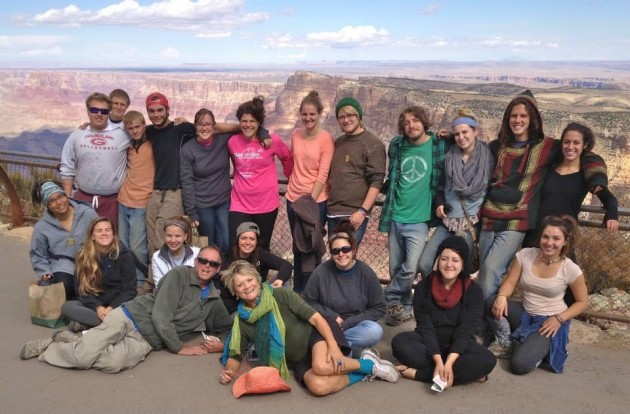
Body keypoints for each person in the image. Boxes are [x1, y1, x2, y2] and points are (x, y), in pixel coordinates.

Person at [20, 246, 233, 373]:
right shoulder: (179, 275)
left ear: (218, 269)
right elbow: (161, 316)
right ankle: (49, 349)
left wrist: (221, 345)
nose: (207, 266)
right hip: (130, 317)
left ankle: (74, 341)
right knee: (82, 358)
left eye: (213, 264)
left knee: (115, 363)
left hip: (148, 340)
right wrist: (179, 347)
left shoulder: (213, 300)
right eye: (203, 260)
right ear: (195, 261)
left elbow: (227, 328)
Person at [219, 261, 399, 396]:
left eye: (249, 280)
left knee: (321, 366)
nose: (247, 286)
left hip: (314, 336)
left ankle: (370, 365)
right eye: (240, 285)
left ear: (258, 281)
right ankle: (364, 371)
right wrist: (229, 371)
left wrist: (333, 347)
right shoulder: (242, 319)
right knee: (319, 387)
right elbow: (236, 354)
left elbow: (317, 319)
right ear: (235, 292)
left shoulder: (280, 295)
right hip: (295, 361)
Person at [478, 91, 559, 298]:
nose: (518, 120)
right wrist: (451, 137)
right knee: (486, 273)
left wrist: (601, 189)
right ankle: (485, 319)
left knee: (491, 269)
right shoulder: (497, 146)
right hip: (489, 218)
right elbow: (471, 151)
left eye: (523, 116)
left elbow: (578, 152)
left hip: (516, 221)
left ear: (532, 119)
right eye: (514, 116)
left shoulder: (546, 148)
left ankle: (487, 321)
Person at [391, 236, 497, 389]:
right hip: (429, 342)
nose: (449, 265)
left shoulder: (473, 291)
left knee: (487, 360)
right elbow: (425, 327)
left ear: (463, 264)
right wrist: (439, 361)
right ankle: (461, 372)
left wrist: (449, 362)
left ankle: (417, 374)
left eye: (455, 260)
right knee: (400, 343)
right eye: (444, 259)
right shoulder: (423, 287)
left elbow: (465, 331)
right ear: (437, 261)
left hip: (459, 345)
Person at [378, 105, 450, 326]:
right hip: (395, 215)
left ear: (424, 122)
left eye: (415, 120)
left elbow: (469, 142)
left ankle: (387, 296)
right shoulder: (397, 145)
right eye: (407, 122)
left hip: (419, 220)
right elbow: (392, 175)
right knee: (395, 268)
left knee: (411, 268)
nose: (411, 125)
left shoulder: (439, 145)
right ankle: (404, 308)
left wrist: (454, 133)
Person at [489, 215, 588, 375]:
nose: (549, 243)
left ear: (565, 242)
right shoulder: (526, 255)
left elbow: (582, 302)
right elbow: (510, 282)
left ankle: (541, 348)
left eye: (556, 238)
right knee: (490, 301)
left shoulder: (570, 269)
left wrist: (559, 319)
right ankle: (508, 341)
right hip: (525, 314)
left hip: (549, 322)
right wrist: (501, 296)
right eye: (546, 237)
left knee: (519, 365)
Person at [418, 109, 494, 278]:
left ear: (476, 131)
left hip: (470, 224)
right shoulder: (449, 157)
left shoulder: (488, 157)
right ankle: (436, 299)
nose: (461, 137)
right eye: (457, 134)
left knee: (459, 272)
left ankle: (454, 303)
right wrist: (439, 203)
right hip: (448, 222)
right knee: (425, 264)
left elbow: (490, 190)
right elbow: (440, 188)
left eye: (465, 132)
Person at [524, 121, 619, 249]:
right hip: (536, 235)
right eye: (567, 142)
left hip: (563, 238)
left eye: (576, 143)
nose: (570, 146)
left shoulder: (586, 176)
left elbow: (609, 198)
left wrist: (612, 215)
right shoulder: (548, 169)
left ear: (584, 145)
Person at [303, 220, 385, 355]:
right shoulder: (321, 271)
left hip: (355, 326)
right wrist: (332, 316)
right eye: (336, 251)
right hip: (327, 324)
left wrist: (348, 323)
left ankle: (337, 347)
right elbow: (308, 301)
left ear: (354, 249)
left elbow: (379, 308)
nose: (341, 254)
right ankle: (353, 352)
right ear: (331, 254)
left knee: (374, 331)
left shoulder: (366, 273)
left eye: (346, 249)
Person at [227, 96, 293, 251]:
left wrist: (290, 178)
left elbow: (287, 158)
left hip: (266, 204)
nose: (248, 125)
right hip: (239, 204)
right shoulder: (232, 142)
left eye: (252, 121)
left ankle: (258, 276)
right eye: (244, 121)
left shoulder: (273, 141)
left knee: (261, 248)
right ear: (239, 122)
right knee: (237, 246)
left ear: (258, 123)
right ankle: (239, 275)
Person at [285, 91, 334, 293]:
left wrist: (309, 203)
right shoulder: (295, 134)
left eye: (312, 114)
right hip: (292, 198)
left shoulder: (326, 139)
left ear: (320, 113)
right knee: (298, 246)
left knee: (313, 248)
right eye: (304, 114)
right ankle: (298, 291)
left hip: (315, 202)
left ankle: (312, 292)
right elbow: (293, 164)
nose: (308, 118)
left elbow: (322, 175)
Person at [60, 92, 130, 227]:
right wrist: (67, 201)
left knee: (109, 241)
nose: (99, 114)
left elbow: (145, 135)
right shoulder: (77, 135)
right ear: (88, 111)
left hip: (112, 202)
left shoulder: (123, 135)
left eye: (103, 111)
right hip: (82, 200)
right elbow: (67, 169)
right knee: (81, 239)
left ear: (108, 112)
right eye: (94, 110)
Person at [327, 97, 386, 247]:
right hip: (332, 212)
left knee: (345, 256)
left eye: (350, 115)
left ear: (359, 116)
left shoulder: (373, 144)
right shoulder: (339, 142)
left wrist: (362, 211)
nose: (346, 120)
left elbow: (377, 180)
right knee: (335, 256)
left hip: (353, 214)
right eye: (341, 117)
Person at [62, 217, 136, 332]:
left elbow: (130, 290)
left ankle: (90, 323)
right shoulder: (83, 256)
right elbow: (81, 291)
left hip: (118, 305)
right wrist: (98, 307)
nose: (104, 233)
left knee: (136, 307)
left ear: (113, 233)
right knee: (68, 307)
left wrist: (112, 307)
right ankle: (110, 324)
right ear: (92, 236)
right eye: (99, 231)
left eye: (108, 230)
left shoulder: (125, 255)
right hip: (94, 306)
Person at [144, 91, 196, 255]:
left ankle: (162, 280)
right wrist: (86, 127)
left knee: (163, 237)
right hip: (156, 192)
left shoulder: (181, 129)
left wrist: (259, 130)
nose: (156, 115)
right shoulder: (149, 131)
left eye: (160, 110)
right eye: (152, 111)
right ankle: (154, 279)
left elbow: (210, 127)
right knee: (151, 238)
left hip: (175, 192)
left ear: (167, 109)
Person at [29, 181, 99, 299]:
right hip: (62, 265)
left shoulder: (88, 214)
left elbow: (101, 236)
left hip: (89, 261)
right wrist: (45, 272)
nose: (59, 202)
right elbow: (38, 254)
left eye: (61, 196)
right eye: (52, 201)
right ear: (47, 205)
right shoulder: (42, 227)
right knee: (64, 286)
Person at [180, 108, 233, 254]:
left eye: (208, 124)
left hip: (223, 201)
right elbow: (187, 181)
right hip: (202, 204)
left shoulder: (223, 140)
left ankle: (224, 273)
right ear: (195, 126)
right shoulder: (188, 149)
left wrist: (263, 133)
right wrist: (191, 212)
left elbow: (245, 127)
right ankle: (211, 274)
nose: (205, 128)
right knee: (209, 243)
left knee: (226, 241)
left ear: (214, 126)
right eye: (201, 124)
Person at [218, 222, 292, 314]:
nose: (247, 242)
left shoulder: (260, 254)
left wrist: (280, 280)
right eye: (243, 238)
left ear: (256, 242)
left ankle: (285, 314)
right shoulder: (229, 258)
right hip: (238, 302)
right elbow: (227, 293)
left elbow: (286, 265)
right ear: (237, 240)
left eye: (252, 239)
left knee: (283, 279)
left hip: (259, 293)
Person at [117, 110, 154, 290]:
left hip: (142, 202)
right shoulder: (128, 145)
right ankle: (126, 279)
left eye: (137, 126)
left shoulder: (153, 143)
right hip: (124, 200)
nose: (134, 130)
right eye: (130, 128)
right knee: (123, 245)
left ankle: (140, 282)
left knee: (137, 247)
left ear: (144, 125)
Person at [151, 217, 199, 290]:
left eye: (177, 236)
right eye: (169, 235)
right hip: (168, 296)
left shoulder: (197, 253)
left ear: (185, 236)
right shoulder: (157, 257)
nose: (173, 240)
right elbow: (159, 286)